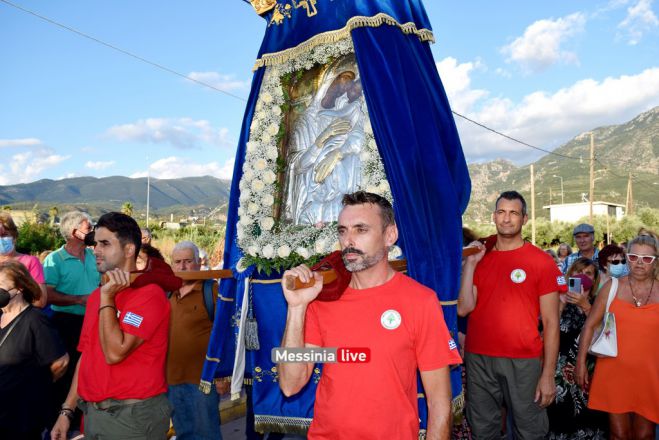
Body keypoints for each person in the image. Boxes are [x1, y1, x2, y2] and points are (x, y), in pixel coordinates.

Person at [278, 191, 461, 439]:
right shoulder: (322, 301)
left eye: (360, 230)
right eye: (342, 231)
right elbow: (291, 385)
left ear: (390, 235)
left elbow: (439, 403)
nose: (348, 241)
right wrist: (297, 308)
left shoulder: (421, 302)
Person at [51, 212, 174, 439]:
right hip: (94, 414)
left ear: (129, 250)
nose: (96, 250)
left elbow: (115, 352)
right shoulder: (98, 296)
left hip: (132, 417)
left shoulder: (149, 295)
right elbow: (87, 356)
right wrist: (67, 411)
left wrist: (107, 300)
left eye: (105, 244)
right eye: (95, 243)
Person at [458, 190, 563, 439]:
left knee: (530, 430)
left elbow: (551, 323)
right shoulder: (479, 257)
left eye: (513, 213)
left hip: (524, 360)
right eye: (502, 212)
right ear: (494, 216)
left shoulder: (541, 262)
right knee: (483, 429)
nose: (507, 219)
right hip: (479, 358)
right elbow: (463, 307)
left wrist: (547, 375)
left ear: (524, 218)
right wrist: (470, 264)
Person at [576, 235, 659, 439]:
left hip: (650, 373)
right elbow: (589, 326)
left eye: (646, 258)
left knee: (645, 435)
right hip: (614, 370)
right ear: (627, 257)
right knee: (618, 434)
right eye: (633, 256)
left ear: (655, 261)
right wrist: (581, 363)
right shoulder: (611, 287)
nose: (639, 263)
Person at [43, 210, 100, 427]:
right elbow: (48, 293)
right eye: (89, 227)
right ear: (74, 232)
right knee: (69, 373)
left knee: (91, 370)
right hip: (66, 322)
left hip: (94, 321)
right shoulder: (55, 259)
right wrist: (78, 300)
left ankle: (87, 420)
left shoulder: (95, 255)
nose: (93, 230)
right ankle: (66, 420)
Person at [0, 261, 69, 439]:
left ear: (20, 289)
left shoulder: (35, 320)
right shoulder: (1, 315)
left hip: (21, 415)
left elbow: (61, 361)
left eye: (1, 286)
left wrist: (36, 383)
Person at [167, 240, 227, 439]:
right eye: (178, 262)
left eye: (187, 261)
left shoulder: (211, 290)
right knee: (183, 432)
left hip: (203, 380)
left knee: (207, 433)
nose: (182, 267)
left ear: (199, 263)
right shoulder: (168, 292)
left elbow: (225, 336)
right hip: (171, 378)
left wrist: (222, 376)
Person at [548, 258, 608, 439]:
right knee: (561, 422)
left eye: (588, 273)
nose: (582, 276)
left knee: (591, 420)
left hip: (591, 374)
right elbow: (546, 336)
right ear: (570, 275)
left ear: (595, 279)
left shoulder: (600, 302)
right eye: (578, 271)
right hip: (560, 376)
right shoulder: (556, 301)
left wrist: (585, 305)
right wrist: (561, 305)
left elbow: (605, 334)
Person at [0, 212, 47, 307]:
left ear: (14, 237)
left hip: (17, 317)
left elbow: (40, 301)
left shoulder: (30, 262)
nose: (1, 239)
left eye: (4, 235)